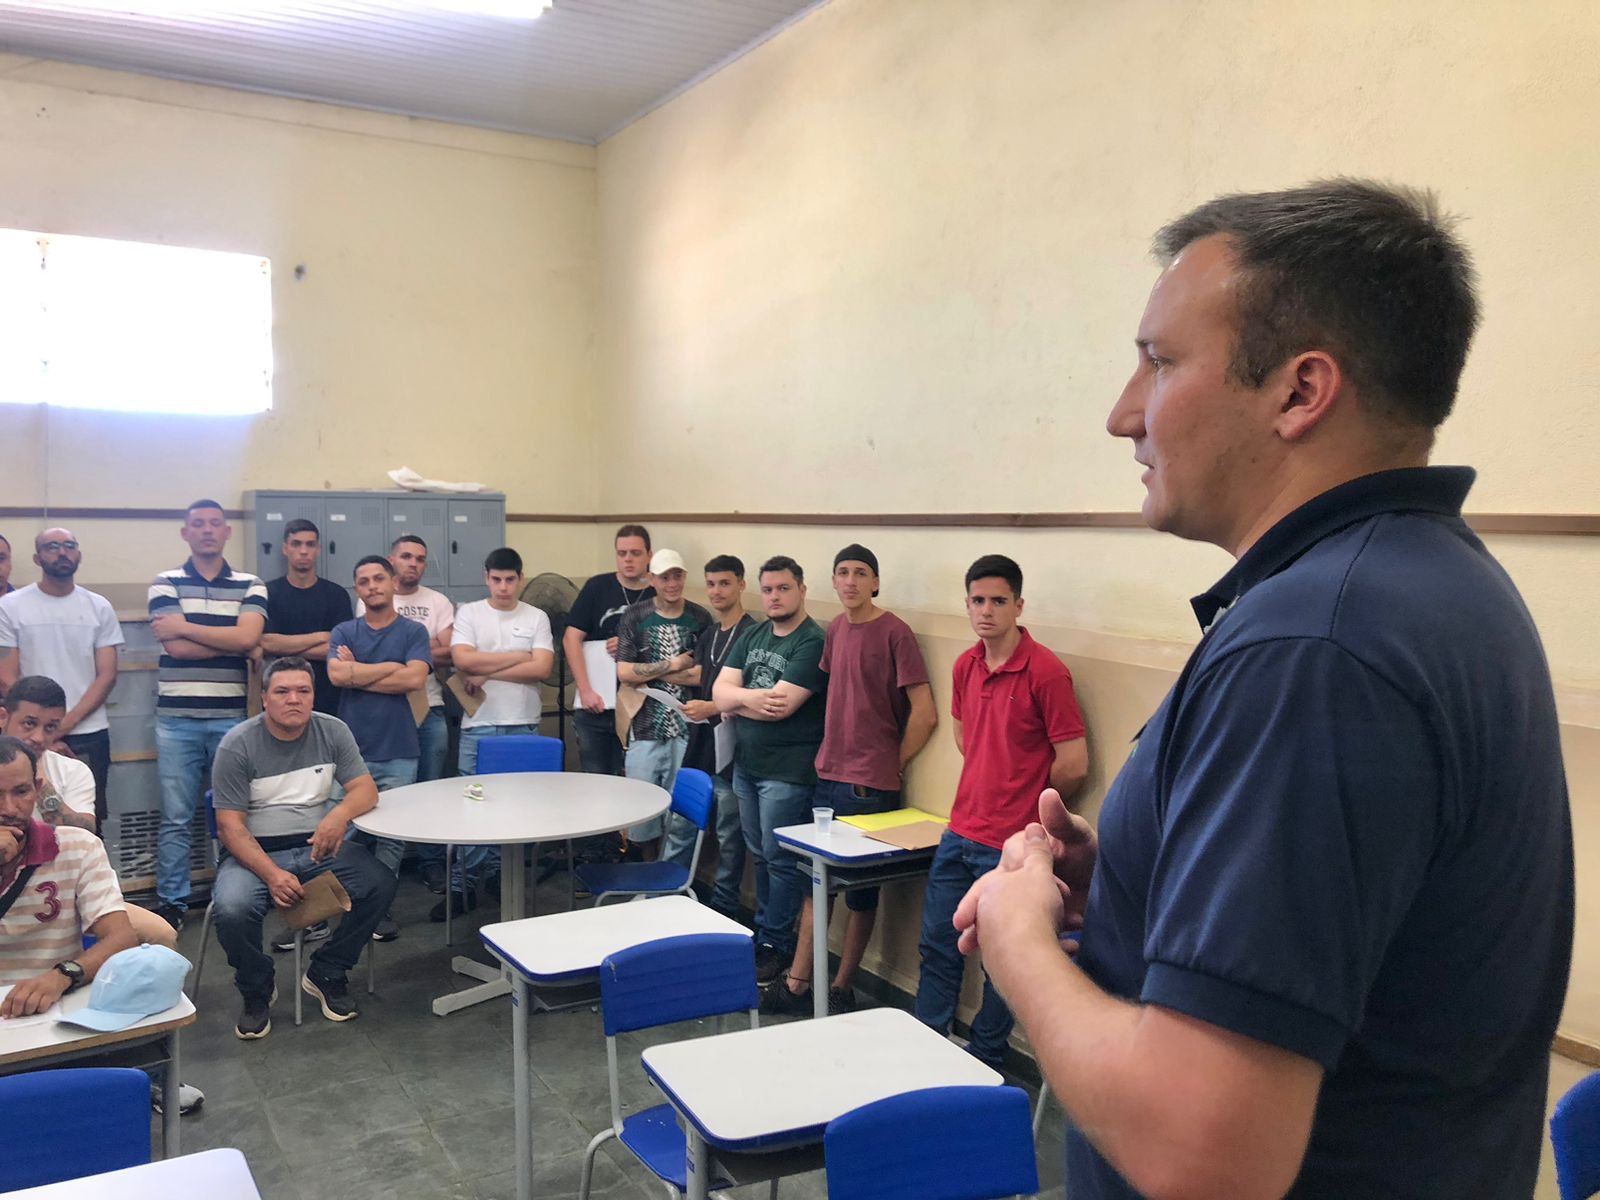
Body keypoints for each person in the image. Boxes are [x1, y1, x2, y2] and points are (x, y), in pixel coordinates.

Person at [954, 182, 1572, 1200]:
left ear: (1298, 391)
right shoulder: (1430, 586)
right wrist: (1143, 884)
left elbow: (1203, 1156)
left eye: (1157, 362)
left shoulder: (1313, 648)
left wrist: (1021, 942)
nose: (1122, 414)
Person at [914, 554, 1085, 1067]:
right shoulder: (965, 665)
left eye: (998, 601)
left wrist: (1026, 814)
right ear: (967, 605)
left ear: (1018, 605)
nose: (987, 611)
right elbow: (968, 739)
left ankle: (985, 1057)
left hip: (1011, 845)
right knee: (938, 945)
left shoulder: (1047, 671)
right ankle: (924, 1046)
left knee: (1002, 964)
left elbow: (1073, 764)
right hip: (959, 830)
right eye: (978, 601)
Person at [764, 545, 936, 1016]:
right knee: (813, 884)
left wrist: (892, 763)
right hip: (827, 777)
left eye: (861, 573)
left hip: (869, 787)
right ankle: (800, 983)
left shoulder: (895, 633)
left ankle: (841, 986)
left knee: (861, 894)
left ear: (875, 583)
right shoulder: (835, 630)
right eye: (842, 573)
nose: (851, 581)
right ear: (833, 582)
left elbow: (925, 712)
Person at [210, 657, 397, 1036]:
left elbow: (365, 789)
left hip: (318, 849)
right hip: (255, 854)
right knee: (232, 909)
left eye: (303, 691)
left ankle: (328, 971)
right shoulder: (237, 745)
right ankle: (257, 987)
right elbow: (229, 827)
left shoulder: (333, 731)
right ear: (264, 698)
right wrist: (272, 874)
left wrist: (337, 815)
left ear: (313, 696)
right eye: (282, 691)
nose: (293, 699)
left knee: (379, 883)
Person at [148, 499, 267, 930]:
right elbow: (175, 648)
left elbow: (251, 635)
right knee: (176, 817)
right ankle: (173, 904)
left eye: (215, 524)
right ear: (185, 532)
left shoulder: (251, 583)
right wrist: (233, 642)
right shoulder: (165, 581)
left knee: (230, 814)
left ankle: (231, 897)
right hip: (176, 722)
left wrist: (187, 627)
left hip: (230, 720)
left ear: (226, 532)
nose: (207, 531)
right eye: (197, 524)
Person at [713, 556, 826, 984]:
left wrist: (736, 700)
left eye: (783, 589)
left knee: (780, 862)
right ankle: (765, 934)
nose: (774, 597)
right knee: (759, 855)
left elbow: (782, 707)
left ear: (801, 590)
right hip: (747, 766)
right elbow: (717, 693)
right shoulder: (756, 632)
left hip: (788, 772)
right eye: (768, 590)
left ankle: (776, 944)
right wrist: (741, 700)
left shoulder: (811, 641)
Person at [444, 548, 554, 918]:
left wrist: (487, 669)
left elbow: (542, 669)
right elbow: (462, 660)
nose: (504, 587)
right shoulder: (470, 613)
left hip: (523, 722)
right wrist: (519, 657)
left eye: (510, 580)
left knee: (517, 806)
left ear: (521, 578)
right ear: (486, 577)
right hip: (480, 724)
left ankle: (497, 877)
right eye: (496, 579)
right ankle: (464, 885)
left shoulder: (537, 616)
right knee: (471, 806)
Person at [328, 556, 430, 943]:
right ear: (358, 589)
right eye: (364, 581)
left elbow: (416, 677)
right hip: (349, 751)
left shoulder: (413, 631)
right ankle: (331, 904)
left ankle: (379, 909)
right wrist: (391, 668)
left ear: (391, 583)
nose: (372, 586)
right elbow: (338, 676)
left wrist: (360, 673)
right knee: (338, 830)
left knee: (392, 837)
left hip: (399, 747)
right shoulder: (344, 630)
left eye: (378, 579)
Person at [0, 735, 138, 1009]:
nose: (9, 809)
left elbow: (121, 938)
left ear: (38, 789)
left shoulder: (78, 847)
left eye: (22, 792)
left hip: (55, 1001)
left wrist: (63, 975)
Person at [0, 529, 123, 828]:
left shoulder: (99, 606)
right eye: (52, 546)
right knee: (16, 815)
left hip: (88, 731)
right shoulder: (11, 606)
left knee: (86, 823)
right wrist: (39, 732)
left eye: (70, 546)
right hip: (25, 732)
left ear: (78, 554)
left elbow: (106, 675)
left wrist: (54, 729)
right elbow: (6, 677)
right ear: (37, 557)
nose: (62, 552)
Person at [356, 534, 455, 893]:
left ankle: (430, 862)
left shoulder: (437, 601)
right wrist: (415, 650)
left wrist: (392, 648)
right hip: (380, 712)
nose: (413, 563)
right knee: (376, 795)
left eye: (420, 558)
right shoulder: (368, 598)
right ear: (391, 560)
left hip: (429, 709)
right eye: (406, 556)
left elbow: (448, 653)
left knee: (429, 790)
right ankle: (369, 874)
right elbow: (361, 648)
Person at [616, 549, 711, 861]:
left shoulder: (700, 618)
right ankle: (648, 873)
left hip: (688, 729)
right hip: (644, 727)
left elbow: (703, 674)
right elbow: (624, 672)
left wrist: (652, 671)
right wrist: (673, 664)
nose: (672, 583)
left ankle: (672, 880)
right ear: (652, 579)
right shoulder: (636, 616)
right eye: (665, 577)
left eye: (677, 576)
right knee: (641, 812)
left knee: (682, 815)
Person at [680, 555, 757, 917]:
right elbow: (701, 675)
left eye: (724, 583)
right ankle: (673, 891)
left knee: (729, 833)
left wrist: (710, 707)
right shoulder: (711, 633)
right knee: (685, 822)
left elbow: (751, 693)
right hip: (702, 744)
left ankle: (724, 906)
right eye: (710, 583)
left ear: (741, 584)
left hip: (734, 747)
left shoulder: (752, 633)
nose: (716, 591)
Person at [563, 524, 654, 781]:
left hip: (641, 708)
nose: (628, 559)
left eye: (635, 553)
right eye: (622, 553)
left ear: (649, 555)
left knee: (636, 783)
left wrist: (631, 644)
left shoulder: (658, 592)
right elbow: (571, 638)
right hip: (597, 705)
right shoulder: (597, 587)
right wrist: (585, 689)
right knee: (596, 782)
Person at [260, 519, 353, 718]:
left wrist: (286, 645)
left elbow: (339, 649)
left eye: (310, 545)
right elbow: (267, 643)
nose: (303, 551)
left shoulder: (337, 595)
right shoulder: (267, 592)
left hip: (329, 699)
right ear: (285, 548)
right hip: (282, 700)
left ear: (318, 549)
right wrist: (321, 636)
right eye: (296, 544)